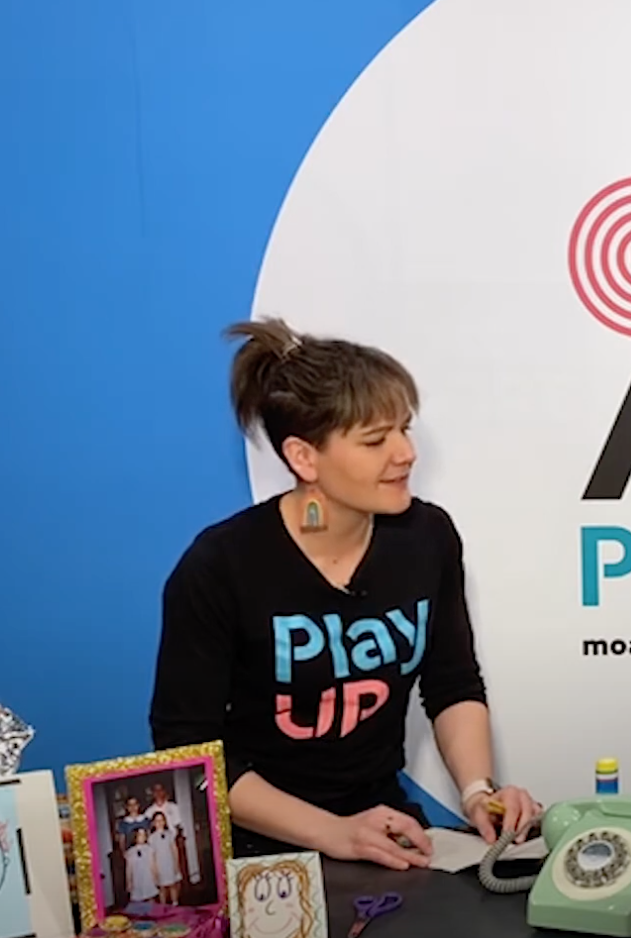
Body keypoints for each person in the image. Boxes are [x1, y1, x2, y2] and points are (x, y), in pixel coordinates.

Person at [149, 318, 539, 869]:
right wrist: (331, 833)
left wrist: (480, 792)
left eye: (404, 429)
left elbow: (451, 683)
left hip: (391, 831)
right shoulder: (220, 565)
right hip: (258, 852)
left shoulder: (428, 538)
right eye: (376, 440)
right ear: (304, 458)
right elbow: (189, 753)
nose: (405, 453)